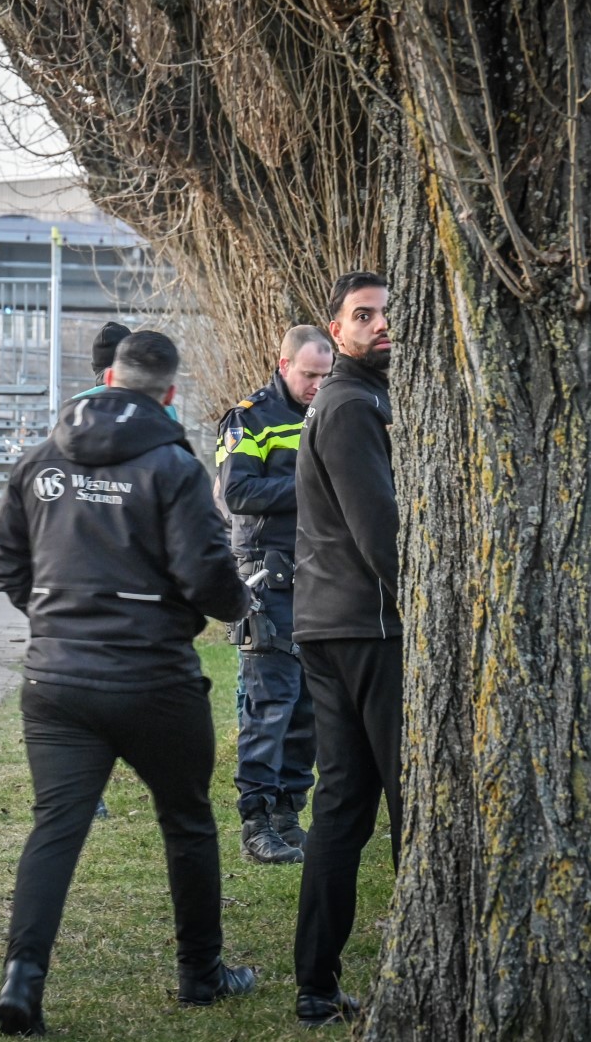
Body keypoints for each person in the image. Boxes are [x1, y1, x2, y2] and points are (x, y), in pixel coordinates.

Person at [0, 331, 255, 1036]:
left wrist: (56, 621)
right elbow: (204, 576)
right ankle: (200, 973)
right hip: (152, 680)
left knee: (56, 827)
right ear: (168, 392)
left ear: (106, 377)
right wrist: (238, 605)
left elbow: (6, 565)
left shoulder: (41, 456)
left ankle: (22, 978)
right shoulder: (173, 465)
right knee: (186, 820)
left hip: (56, 679)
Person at [290, 271, 400, 1029]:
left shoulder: (354, 401)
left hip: (331, 624)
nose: (378, 325)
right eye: (362, 316)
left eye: (386, 313)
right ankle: (419, 957)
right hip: (365, 629)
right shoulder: (351, 404)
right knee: (403, 799)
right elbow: (378, 533)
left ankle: (315, 983)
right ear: (336, 333)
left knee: (341, 805)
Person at [217, 326, 334, 866]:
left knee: (309, 706)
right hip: (269, 578)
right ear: (282, 363)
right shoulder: (250, 417)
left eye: (323, 375)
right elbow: (237, 492)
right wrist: (313, 485)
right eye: (309, 374)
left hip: (321, 576)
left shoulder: (328, 410)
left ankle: (289, 814)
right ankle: (257, 822)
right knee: (270, 706)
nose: (316, 384)